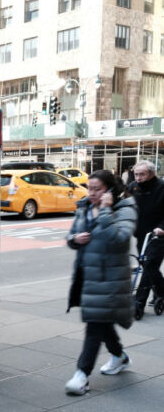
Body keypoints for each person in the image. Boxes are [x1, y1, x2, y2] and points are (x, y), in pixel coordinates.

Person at [64, 170, 137, 396]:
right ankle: (120, 357)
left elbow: (120, 239)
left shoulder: (125, 209)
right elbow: (72, 236)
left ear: (110, 190)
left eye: (97, 189)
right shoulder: (84, 206)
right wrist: (74, 239)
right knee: (101, 322)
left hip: (111, 278)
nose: (92, 193)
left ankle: (81, 375)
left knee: (95, 324)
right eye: (89, 188)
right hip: (88, 276)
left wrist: (105, 210)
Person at [126, 160, 164, 319]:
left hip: (159, 235)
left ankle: (138, 303)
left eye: (142, 174)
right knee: (149, 267)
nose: (139, 177)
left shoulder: (162, 187)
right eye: (136, 174)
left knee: (148, 265)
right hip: (142, 234)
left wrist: (162, 227)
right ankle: (161, 293)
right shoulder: (132, 187)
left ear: (151, 174)